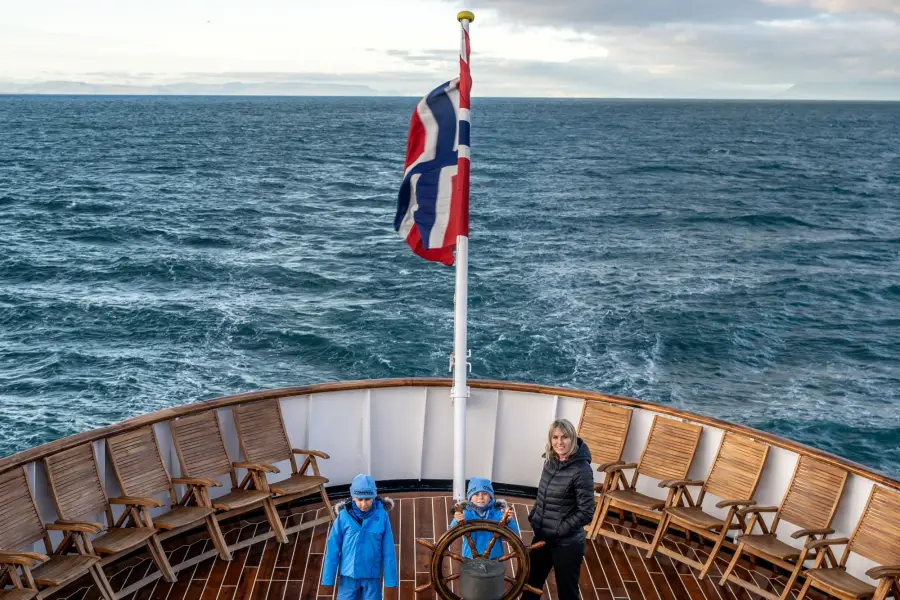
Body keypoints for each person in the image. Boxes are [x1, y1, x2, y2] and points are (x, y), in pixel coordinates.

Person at [521, 419, 595, 600]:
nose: (559, 442)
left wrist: (559, 530)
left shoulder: (582, 470)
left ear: (573, 439)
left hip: (567, 542)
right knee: (531, 584)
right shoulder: (550, 461)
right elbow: (543, 493)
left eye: (565, 437)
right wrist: (535, 516)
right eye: (555, 437)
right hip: (543, 536)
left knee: (567, 591)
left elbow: (586, 512)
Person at [322, 474, 398, 600]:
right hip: (348, 576)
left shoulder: (382, 517)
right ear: (353, 497)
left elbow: (388, 550)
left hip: (372, 575)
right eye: (359, 499)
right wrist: (328, 578)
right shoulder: (343, 517)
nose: (363, 504)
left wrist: (390, 580)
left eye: (367, 499)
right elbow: (332, 549)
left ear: (374, 497)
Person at [449, 477, 520, 559]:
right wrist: (457, 520)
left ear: (490, 497)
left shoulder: (499, 513)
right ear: (470, 498)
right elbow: (452, 531)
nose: (480, 497)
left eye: (485, 494)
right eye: (476, 494)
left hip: (494, 559)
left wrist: (509, 521)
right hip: (470, 558)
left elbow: (515, 535)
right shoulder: (466, 514)